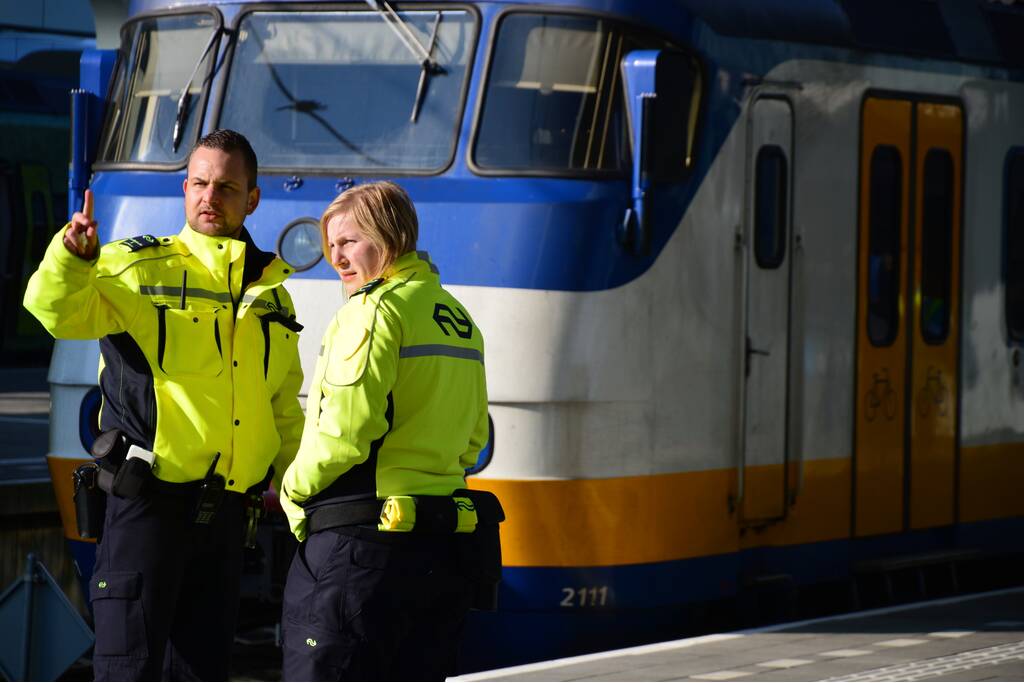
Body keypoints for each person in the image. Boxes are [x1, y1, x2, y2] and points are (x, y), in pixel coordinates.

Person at [23, 129, 305, 681]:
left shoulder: (273, 294)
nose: (209, 196)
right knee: (127, 670)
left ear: (252, 198)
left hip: (227, 518)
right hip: (147, 509)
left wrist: (305, 496)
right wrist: (72, 259)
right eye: (199, 183)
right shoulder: (138, 269)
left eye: (226, 187)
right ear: (185, 189)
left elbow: (281, 409)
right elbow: (54, 312)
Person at [278, 181, 503, 681]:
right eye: (331, 245)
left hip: (361, 546)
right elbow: (473, 439)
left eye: (350, 242)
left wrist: (293, 490)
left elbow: (346, 433)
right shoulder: (458, 318)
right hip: (443, 545)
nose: (337, 258)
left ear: (389, 237)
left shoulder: (371, 312)